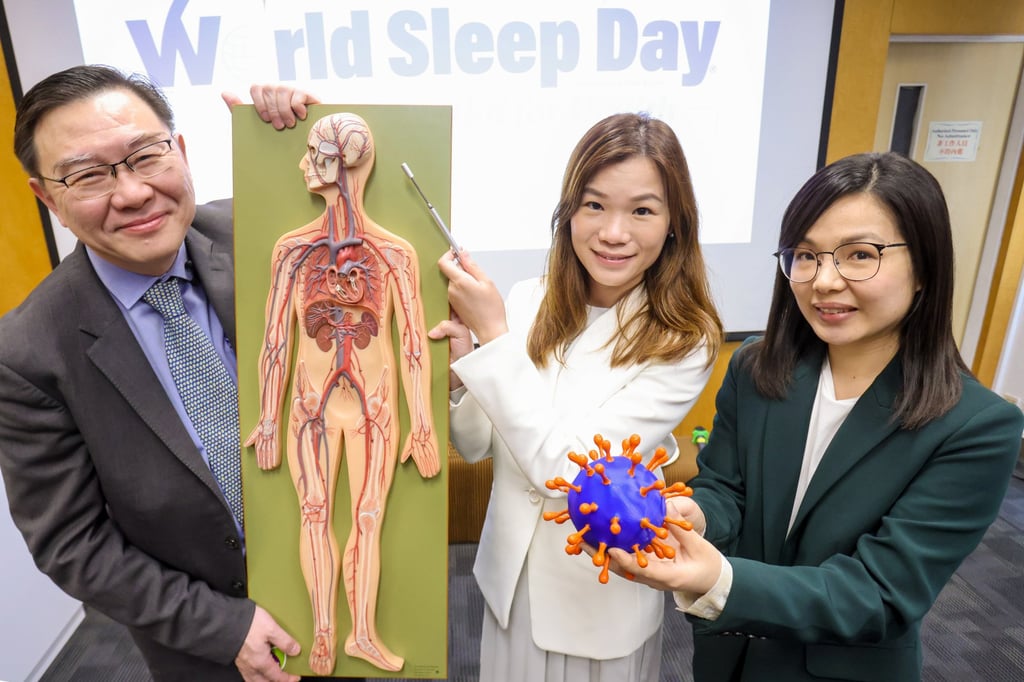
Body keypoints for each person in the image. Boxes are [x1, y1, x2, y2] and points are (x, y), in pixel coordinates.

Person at [600, 152, 1024, 681]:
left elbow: (881, 594)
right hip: (727, 660)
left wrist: (721, 580)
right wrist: (695, 516)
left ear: (924, 268)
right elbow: (726, 490)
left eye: (860, 255)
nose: (823, 281)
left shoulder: (976, 425)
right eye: (805, 255)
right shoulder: (756, 368)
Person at [0, 64, 328, 682]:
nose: (131, 193)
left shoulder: (265, 235)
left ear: (180, 150)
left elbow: (374, 234)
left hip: (343, 585)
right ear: (48, 199)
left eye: (146, 156)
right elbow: (72, 544)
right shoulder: (28, 352)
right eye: (87, 175)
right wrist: (225, 628)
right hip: (208, 647)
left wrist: (323, 133)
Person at [428, 112, 724, 681]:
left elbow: (572, 474)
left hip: (594, 596)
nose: (613, 232)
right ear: (568, 213)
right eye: (594, 205)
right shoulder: (528, 298)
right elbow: (476, 444)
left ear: (674, 224)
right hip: (509, 582)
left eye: (642, 210)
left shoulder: (685, 338)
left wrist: (494, 339)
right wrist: (464, 369)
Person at [246, 112, 440, 675]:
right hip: (310, 405)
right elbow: (276, 339)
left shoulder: (395, 254)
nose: (304, 164)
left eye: (315, 155)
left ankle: (363, 634)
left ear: (344, 163)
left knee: (369, 516)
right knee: (314, 512)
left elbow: (413, 345)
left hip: (374, 405)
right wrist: (267, 415)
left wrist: (423, 423)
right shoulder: (292, 250)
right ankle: (325, 634)